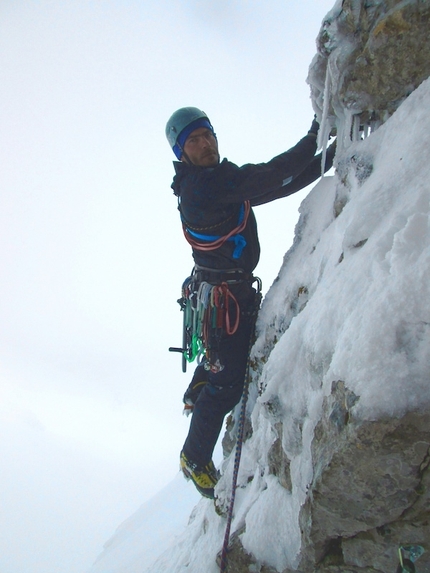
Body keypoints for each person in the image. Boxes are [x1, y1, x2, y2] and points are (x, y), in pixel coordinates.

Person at [166, 107, 335, 498]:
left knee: (223, 363)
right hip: (225, 302)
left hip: (223, 295)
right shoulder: (205, 187)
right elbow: (271, 175)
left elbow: (273, 186)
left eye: (207, 135)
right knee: (227, 389)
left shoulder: (211, 181)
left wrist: (326, 157)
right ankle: (194, 456)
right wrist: (317, 135)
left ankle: (203, 379)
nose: (205, 143)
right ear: (181, 151)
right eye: (194, 140)